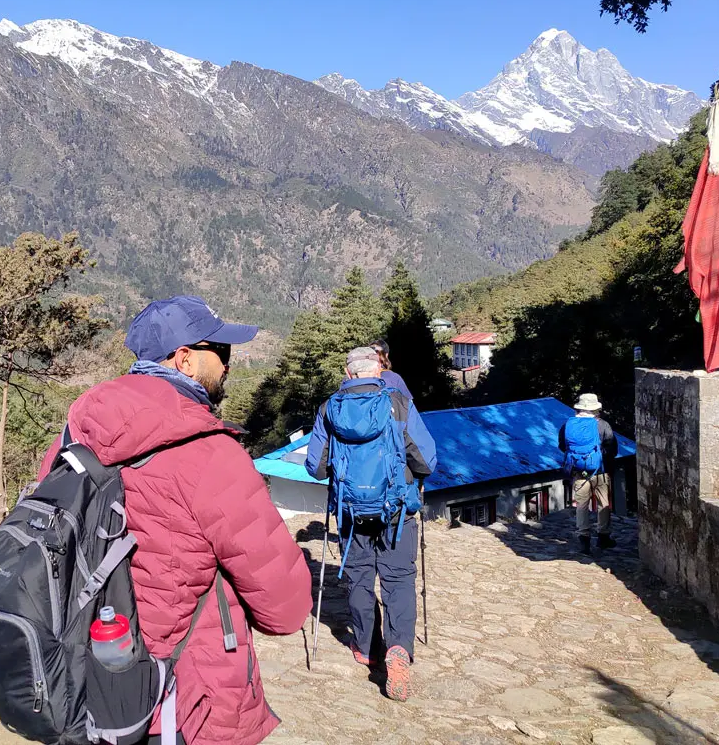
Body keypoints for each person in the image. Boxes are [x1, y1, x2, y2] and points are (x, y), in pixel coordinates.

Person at [36, 295, 312, 745]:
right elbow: (285, 609)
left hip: (92, 674)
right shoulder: (210, 453)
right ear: (183, 359)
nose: (227, 364)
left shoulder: (75, 432)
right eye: (219, 352)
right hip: (185, 698)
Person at [304, 346, 436, 702]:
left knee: (360, 576)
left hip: (351, 511)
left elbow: (315, 466)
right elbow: (428, 459)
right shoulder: (398, 403)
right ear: (378, 370)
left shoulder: (330, 408)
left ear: (348, 374)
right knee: (398, 579)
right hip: (396, 512)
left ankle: (367, 648)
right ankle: (398, 650)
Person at [558, 392, 619, 555]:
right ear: (596, 409)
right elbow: (613, 449)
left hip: (579, 472)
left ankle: (583, 539)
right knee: (603, 503)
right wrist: (597, 457)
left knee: (581, 505)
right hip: (600, 470)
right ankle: (603, 536)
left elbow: (562, 446)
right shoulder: (602, 425)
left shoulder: (568, 425)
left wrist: (580, 459)